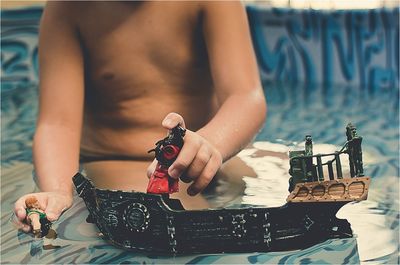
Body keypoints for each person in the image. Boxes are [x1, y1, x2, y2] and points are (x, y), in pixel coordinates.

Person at [14, 1, 266, 233]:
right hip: (119, 159)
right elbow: (57, 124)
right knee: (173, 230)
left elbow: (246, 96)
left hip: (210, 147)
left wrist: (212, 144)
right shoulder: (71, 7)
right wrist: (58, 190)